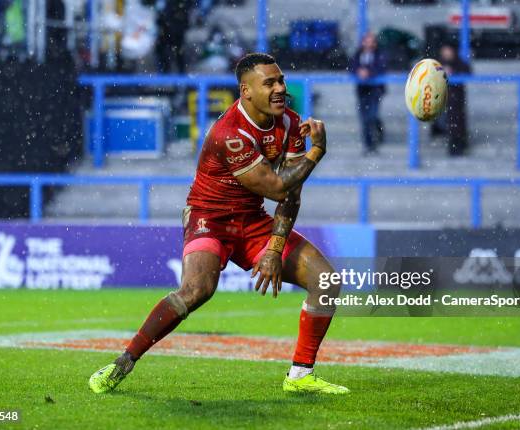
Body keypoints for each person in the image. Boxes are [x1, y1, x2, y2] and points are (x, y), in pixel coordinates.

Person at [89, 53, 349, 395]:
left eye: (281, 80)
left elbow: (291, 194)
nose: (279, 88)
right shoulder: (230, 133)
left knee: (326, 280)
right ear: (246, 91)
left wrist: (273, 249)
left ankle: (300, 376)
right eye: (269, 83)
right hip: (208, 219)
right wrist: (317, 152)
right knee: (197, 291)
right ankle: (122, 363)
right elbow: (276, 187)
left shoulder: (290, 123)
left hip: (252, 221)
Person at [350, 32, 387, 155]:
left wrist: (368, 72)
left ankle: (377, 136)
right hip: (362, 91)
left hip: (375, 91)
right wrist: (359, 71)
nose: (369, 44)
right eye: (367, 41)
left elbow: (381, 67)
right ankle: (368, 144)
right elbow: (352, 66)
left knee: (372, 116)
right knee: (364, 118)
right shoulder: (358, 55)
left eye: (371, 41)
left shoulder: (379, 55)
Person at [439, 44, 471, 156]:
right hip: (442, 99)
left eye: (448, 51)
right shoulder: (437, 64)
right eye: (445, 51)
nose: (447, 54)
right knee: (448, 120)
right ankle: (454, 142)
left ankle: (458, 143)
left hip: (456, 99)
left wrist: (452, 72)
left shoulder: (459, 63)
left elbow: (467, 72)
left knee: (457, 121)